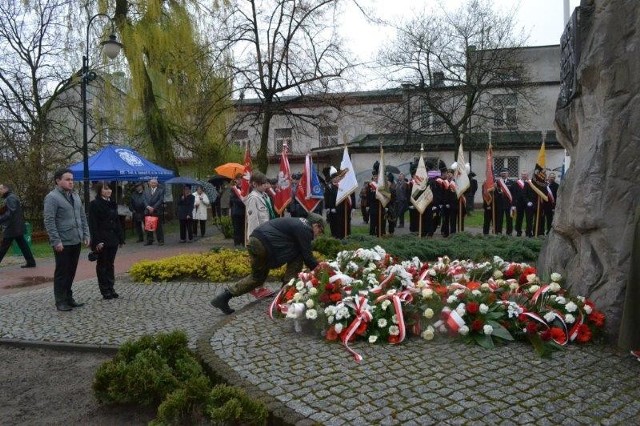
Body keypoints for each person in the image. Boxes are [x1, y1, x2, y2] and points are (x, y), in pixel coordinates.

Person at [210, 214, 326, 315]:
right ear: (315, 225)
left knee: (257, 277)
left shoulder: (299, 223)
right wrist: (322, 271)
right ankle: (283, 299)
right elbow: (308, 257)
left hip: (255, 240)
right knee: (298, 256)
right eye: (320, 231)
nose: (318, 234)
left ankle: (223, 297)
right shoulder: (305, 229)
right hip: (266, 245)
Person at [43, 168, 90, 311]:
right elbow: (49, 220)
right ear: (58, 180)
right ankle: (60, 300)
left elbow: (82, 217)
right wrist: (56, 240)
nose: (71, 182)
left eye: (72, 179)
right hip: (62, 241)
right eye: (68, 179)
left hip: (75, 239)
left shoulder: (75, 196)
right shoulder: (52, 197)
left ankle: (69, 298)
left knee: (71, 271)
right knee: (62, 272)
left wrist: (86, 235)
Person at [88, 182, 124, 299]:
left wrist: (120, 237)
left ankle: (111, 287)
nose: (108, 191)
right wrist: (97, 241)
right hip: (102, 238)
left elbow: (117, 221)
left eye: (109, 189)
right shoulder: (94, 204)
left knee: (110, 264)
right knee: (102, 264)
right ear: (100, 191)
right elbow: (93, 224)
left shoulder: (113, 203)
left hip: (113, 238)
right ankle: (104, 289)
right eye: (105, 189)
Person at [0, 183, 36, 268]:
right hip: (16, 227)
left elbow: (10, 212)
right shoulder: (10, 197)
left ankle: (31, 262)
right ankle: (31, 262)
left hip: (12, 227)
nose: (0, 191)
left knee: (4, 247)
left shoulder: (10, 198)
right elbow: (8, 211)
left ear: (6, 189)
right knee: (23, 245)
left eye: (1, 189)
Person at [245, 171, 275, 241]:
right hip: (259, 234)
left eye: (266, 183)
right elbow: (253, 220)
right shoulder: (253, 198)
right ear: (255, 184)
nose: (265, 185)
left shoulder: (265, 196)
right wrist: (255, 237)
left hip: (268, 230)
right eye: (263, 184)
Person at [143, 178, 165, 246]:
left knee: (158, 227)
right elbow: (144, 200)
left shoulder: (160, 191)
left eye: (154, 183)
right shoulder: (146, 191)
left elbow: (160, 200)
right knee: (149, 226)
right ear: (149, 183)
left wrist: (153, 207)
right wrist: (148, 206)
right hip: (148, 210)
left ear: (157, 184)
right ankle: (150, 240)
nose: (153, 184)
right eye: (152, 183)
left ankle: (160, 240)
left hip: (156, 211)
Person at [494, 168, 515, 235]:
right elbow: (495, 194)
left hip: (509, 204)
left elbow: (514, 193)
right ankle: (498, 231)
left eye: (505, 173)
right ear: (500, 174)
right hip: (500, 204)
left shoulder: (512, 182)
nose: (504, 174)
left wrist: (514, 204)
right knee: (499, 219)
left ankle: (509, 232)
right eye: (502, 173)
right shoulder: (497, 182)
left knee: (509, 219)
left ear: (508, 174)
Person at [229, 173, 246, 247]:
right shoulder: (233, 189)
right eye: (238, 179)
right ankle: (237, 244)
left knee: (243, 228)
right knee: (237, 229)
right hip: (236, 212)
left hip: (244, 212)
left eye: (241, 179)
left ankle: (243, 242)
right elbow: (233, 200)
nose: (240, 180)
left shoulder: (246, 188)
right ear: (235, 180)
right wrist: (243, 202)